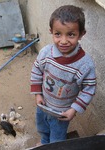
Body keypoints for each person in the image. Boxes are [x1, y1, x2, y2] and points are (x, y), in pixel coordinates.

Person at [30, 5, 96, 145]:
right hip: (43, 105)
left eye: (71, 34)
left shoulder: (85, 64)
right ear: (51, 32)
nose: (64, 41)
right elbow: (37, 70)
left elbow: (88, 89)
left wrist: (73, 110)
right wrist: (38, 94)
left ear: (82, 34)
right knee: (43, 130)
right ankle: (44, 143)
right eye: (58, 34)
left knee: (57, 139)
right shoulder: (46, 53)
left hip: (61, 114)